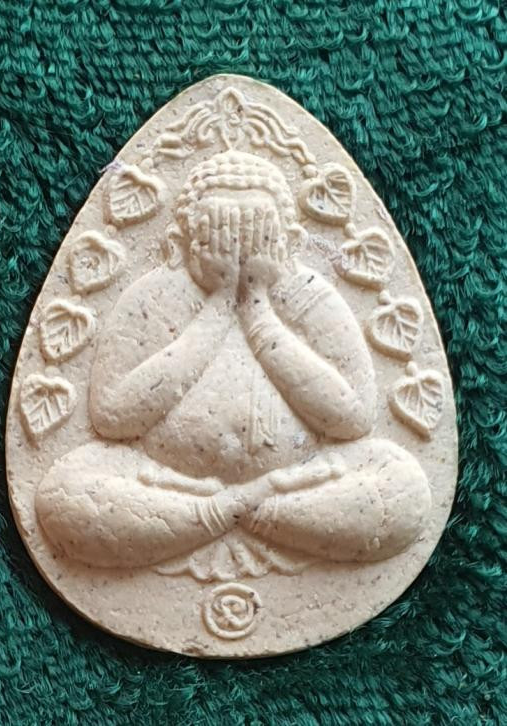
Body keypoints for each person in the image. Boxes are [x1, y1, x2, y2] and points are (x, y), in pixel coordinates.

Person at [36, 151, 431, 571]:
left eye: (257, 235)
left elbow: (354, 419)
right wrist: (219, 305)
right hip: (167, 484)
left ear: (290, 243)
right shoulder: (153, 297)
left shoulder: (311, 297)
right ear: (179, 243)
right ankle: (222, 513)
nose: (238, 251)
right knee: (67, 491)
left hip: (298, 484)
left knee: (402, 485)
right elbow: (111, 417)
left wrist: (258, 310)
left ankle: (256, 513)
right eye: (219, 236)